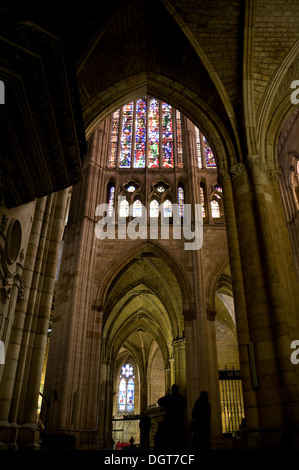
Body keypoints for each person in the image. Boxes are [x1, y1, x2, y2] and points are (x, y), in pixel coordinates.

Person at [157, 384, 186, 450]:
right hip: (179, 422)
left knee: (171, 441)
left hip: (170, 422)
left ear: (172, 390)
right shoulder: (181, 398)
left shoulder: (168, 398)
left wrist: (165, 406)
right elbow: (184, 403)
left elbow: (159, 401)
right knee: (179, 441)